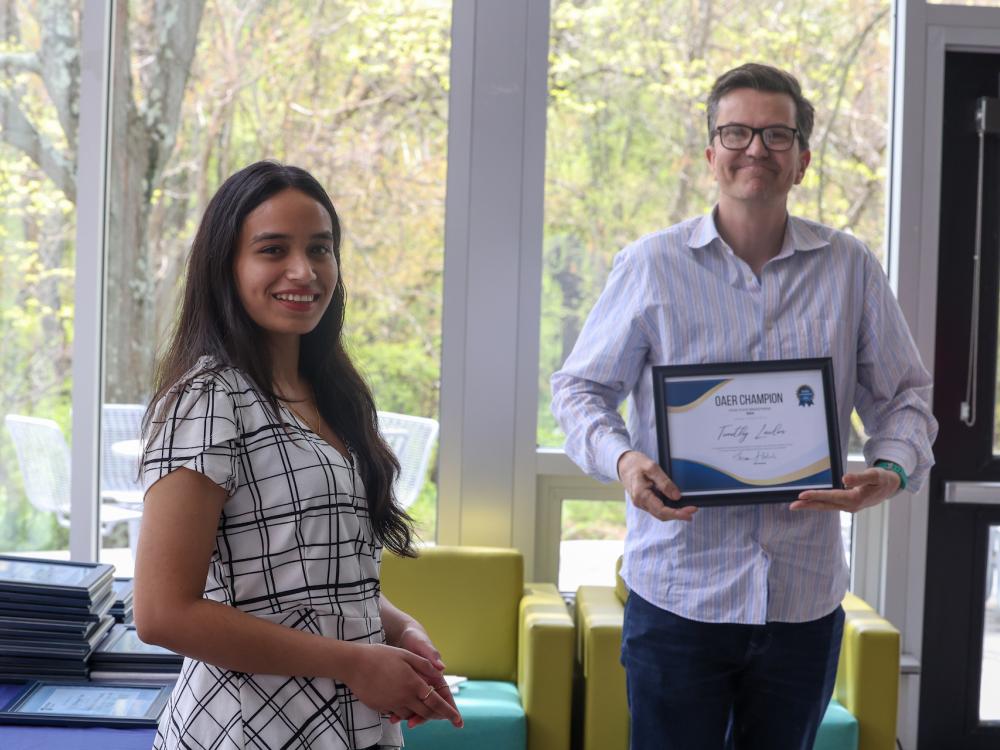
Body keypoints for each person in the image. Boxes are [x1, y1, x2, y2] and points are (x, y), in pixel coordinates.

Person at [551, 63, 937, 749]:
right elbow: (579, 389)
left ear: (804, 160)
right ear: (710, 153)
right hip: (678, 597)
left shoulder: (851, 268)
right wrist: (625, 459)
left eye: (776, 134)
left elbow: (905, 397)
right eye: (736, 131)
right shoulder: (649, 265)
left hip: (804, 601)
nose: (755, 148)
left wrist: (892, 469)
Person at [133, 161, 463, 750]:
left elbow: (305, 576)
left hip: (347, 728)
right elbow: (163, 613)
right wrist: (354, 663)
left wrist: (396, 627)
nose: (303, 271)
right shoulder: (210, 397)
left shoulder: (330, 393)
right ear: (225, 267)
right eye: (272, 249)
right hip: (248, 731)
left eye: (320, 248)